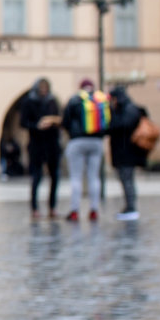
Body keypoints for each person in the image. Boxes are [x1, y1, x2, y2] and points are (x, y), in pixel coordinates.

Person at [61, 78, 109, 221]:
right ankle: (94, 210)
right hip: (96, 142)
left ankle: (75, 211)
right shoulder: (100, 100)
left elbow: (65, 122)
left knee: (76, 177)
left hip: (77, 141)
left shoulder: (75, 99)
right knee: (94, 177)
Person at [18, 78, 62, 218]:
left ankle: (52, 206)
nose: (44, 91)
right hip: (37, 144)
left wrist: (53, 121)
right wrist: (37, 125)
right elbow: (23, 123)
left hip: (52, 144)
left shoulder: (52, 101)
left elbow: (61, 119)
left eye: (46, 88)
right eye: (41, 88)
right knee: (36, 177)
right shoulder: (29, 102)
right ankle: (34, 207)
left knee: (55, 176)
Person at [107, 84, 150, 221]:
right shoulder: (124, 108)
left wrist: (112, 113)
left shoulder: (129, 109)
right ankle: (129, 206)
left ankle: (131, 208)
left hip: (128, 152)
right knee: (125, 180)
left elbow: (120, 125)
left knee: (127, 180)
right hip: (123, 152)